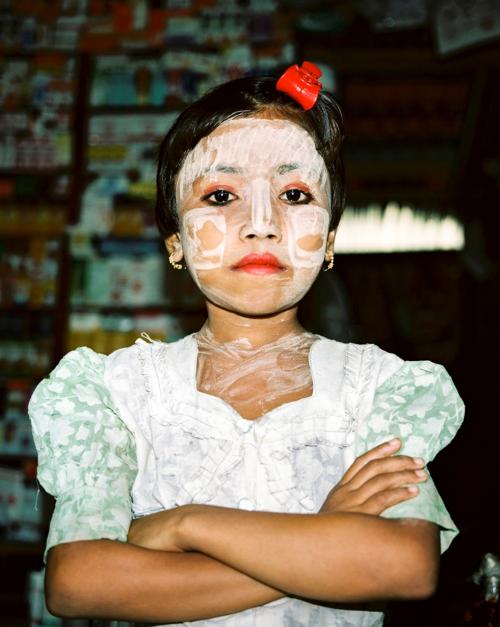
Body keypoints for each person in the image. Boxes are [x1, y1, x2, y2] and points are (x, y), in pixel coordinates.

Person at [28, 63, 465, 627]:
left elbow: (403, 566)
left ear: (330, 238)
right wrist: (320, 543)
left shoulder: (385, 389)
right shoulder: (116, 393)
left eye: (293, 192)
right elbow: (79, 584)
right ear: (175, 240)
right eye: (220, 195)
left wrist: (186, 524)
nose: (261, 223)